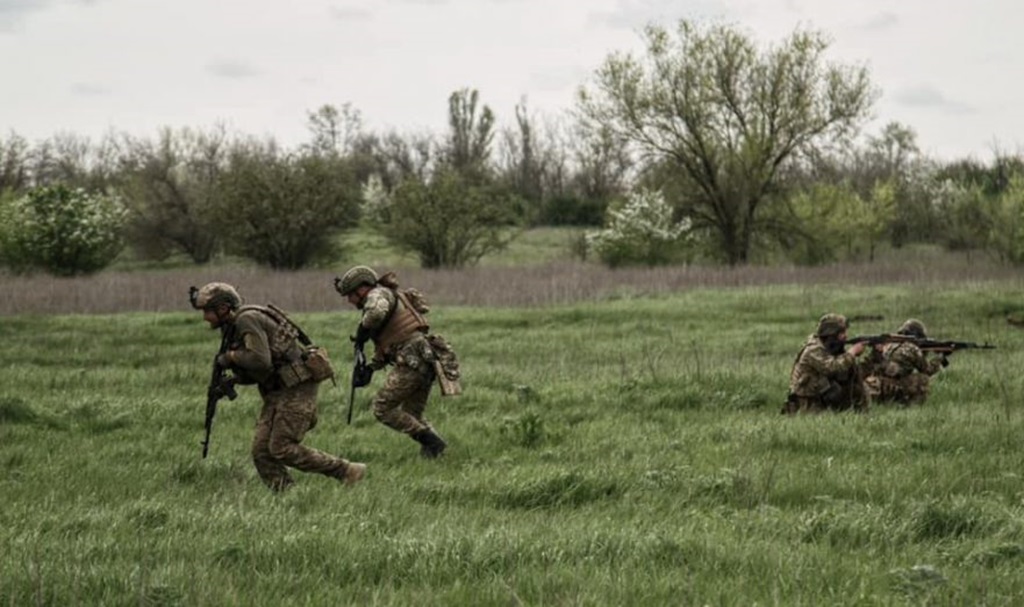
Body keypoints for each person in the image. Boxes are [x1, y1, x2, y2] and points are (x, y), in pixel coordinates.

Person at [190, 282, 366, 491]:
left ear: (222, 308)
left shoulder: (246, 319)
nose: (205, 318)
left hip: (296, 387)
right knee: (261, 452)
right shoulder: (233, 326)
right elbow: (262, 371)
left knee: (281, 448)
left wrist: (230, 357)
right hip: (277, 390)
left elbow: (259, 360)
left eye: (207, 311)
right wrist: (234, 379)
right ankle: (289, 497)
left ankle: (346, 470)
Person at [334, 266, 458, 458]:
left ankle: (433, 443)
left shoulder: (378, 294)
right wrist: (371, 368)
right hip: (422, 359)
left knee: (382, 408)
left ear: (362, 288)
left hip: (413, 360)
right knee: (412, 415)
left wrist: (362, 330)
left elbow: (376, 314)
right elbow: (390, 340)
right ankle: (435, 454)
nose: (350, 301)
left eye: (350, 295)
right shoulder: (386, 294)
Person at [784, 313, 869, 414]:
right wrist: (852, 353)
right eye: (842, 333)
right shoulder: (813, 350)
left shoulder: (830, 347)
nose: (845, 336)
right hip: (807, 403)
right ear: (832, 334)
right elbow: (832, 366)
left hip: (820, 398)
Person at [867, 318, 947, 405]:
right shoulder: (912, 348)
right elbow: (928, 370)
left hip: (873, 384)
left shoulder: (889, 344)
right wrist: (941, 358)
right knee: (923, 378)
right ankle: (910, 405)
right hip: (887, 387)